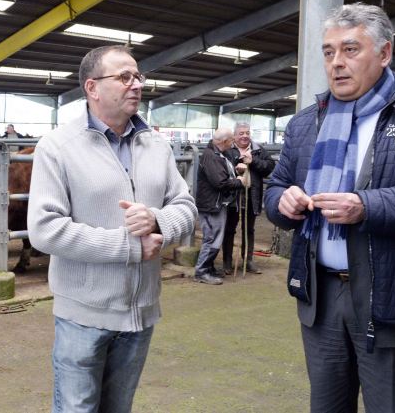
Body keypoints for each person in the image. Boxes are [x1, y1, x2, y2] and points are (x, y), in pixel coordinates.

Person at [264, 3, 395, 412]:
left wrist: (366, 206)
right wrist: (283, 202)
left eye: (350, 50)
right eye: (328, 51)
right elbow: (275, 188)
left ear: (385, 53)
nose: (336, 63)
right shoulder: (305, 124)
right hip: (320, 299)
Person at [28, 45, 197, 413]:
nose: (136, 85)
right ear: (92, 87)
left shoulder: (156, 146)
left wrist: (158, 221)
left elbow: (186, 207)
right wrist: (129, 246)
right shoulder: (58, 148)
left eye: (138, 76)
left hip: (140, 313)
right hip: (83, 316)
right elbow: (45, 229)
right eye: (124, 77)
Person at [193, 128, 246, 285]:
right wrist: (239, 182)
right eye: (231, 140)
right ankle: (201, 271)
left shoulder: (218, 154)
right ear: (224, 142)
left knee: (214, 237)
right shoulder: (212, 157)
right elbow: (219, 182)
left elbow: (222, 174)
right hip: (211, 205)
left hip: (215, 203)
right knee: (212, 238)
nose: (233, 143)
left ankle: (208, 268)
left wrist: (235, 169)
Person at [222, 122, 274, 274]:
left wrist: (253, 161)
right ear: (235, 136)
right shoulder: (228, 150)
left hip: (252, 195)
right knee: (229, 229)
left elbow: (270, 166)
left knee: (249, 229)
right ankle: (227, 262)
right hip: (233, 196)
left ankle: (248, 260)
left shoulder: (257, 150)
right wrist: (237, 165)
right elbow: (221, 168)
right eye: (241, 133)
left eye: (247, 133)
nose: (245, 136)